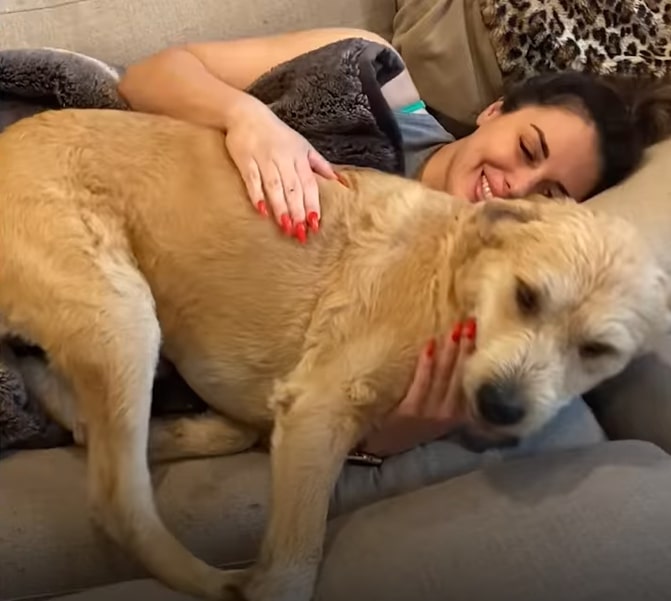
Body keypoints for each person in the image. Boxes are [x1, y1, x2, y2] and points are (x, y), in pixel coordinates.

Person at [117, 27, 659, 458]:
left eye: (550, 193)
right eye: (527, 147)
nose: (517, 185)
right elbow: (149, 76)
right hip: (119, 188)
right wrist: (248, 119)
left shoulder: (472, 324)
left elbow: (310, 406)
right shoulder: (376, 75)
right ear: (494, 110)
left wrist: (389, 436)